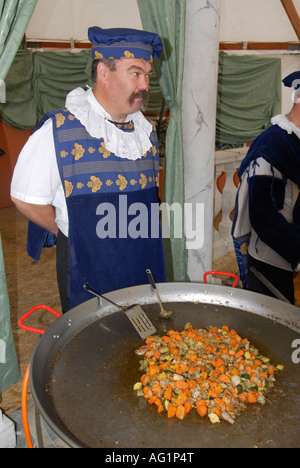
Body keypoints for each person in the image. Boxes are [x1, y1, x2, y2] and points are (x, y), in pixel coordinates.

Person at [11, 26, 166, 312]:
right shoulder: (59, 130)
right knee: (95, 345)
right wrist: (73, 233)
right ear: (104, 73)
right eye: (135, 73)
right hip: (89, 266)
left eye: (147, 75)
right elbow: (25, 198)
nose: (145, 85)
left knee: (148, 338)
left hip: (143, 258)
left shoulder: (145, 131)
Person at [232, 71, 300, 304]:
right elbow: (264, 217)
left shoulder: (295, 140)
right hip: (270, 259)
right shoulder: (273, 144)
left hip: (287, 254)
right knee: (273, 328)